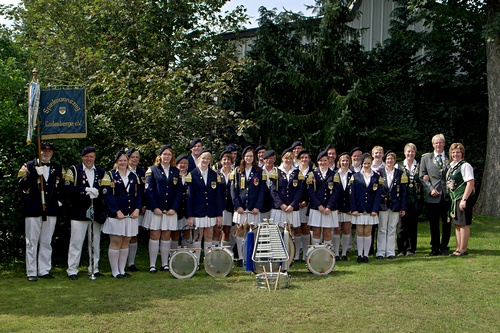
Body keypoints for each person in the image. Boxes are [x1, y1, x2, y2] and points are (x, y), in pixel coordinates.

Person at [18, 142, 63, 281]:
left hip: (50, 209)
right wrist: (34, 175)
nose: (46, 153)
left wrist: (59, 201)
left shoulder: (57, 167)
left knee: (46, 241)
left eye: (49, 151)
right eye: (44, 150)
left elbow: (61, 187)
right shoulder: (29, 166)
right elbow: (21, 185)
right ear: (39, 150)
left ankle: (44, 270)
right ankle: (31, 271)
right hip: (33, 209)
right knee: (31, 241)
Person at [65, 146, 106, 280]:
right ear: (82, 157)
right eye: (86, 157)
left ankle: (94, 268)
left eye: (91, 157)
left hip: (95, 213)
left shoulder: (101, 172)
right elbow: (68, 190)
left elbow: (105, 191)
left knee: (95, 243)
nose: (89, 159)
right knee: (76, 242)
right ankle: (72, 270)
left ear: (94, 157)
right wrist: (84, 190)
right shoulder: (74, 170)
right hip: (79, 213)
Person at [101, 151, 142, 278]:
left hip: (131, 214)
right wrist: (116, 211)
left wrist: (137, 209)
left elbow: (139, 194)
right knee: (116, 241)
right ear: (116, 162)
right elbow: (107, 195)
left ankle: (122, 270)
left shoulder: (133, 176)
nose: (123, 163)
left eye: (124, 160)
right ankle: (115, 271)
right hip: (116, 215)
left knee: (126, 241)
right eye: (120, 160)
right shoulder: (109, 175)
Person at [143, 145, 183, 273]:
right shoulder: (152, 169)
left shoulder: (175, 171)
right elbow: (148, 190)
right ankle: (152, 264)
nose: (166, 157)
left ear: (172, 157)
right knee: (155, 235)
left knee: (166, 235)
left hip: (170, 210)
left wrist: (174, 208)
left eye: (169, 155)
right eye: (164, 154)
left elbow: (179, 192)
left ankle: (165, 264)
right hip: (156, 209)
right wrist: (155, 207)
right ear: (159, 156)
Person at [186, 150, 223, 264]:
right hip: (198, 211)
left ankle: (208, 261)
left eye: (207, 159)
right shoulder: (192, 174)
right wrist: (190, 215)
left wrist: (219, 215)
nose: (205, 161)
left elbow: (217, 197)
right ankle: (196, 261)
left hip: (210, 211)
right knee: (198, 236)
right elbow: (189, 197)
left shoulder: (214, 175)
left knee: (209, 235)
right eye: (203, 158)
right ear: (199, 159)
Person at [230, 146, 266, 266]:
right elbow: (233, 191)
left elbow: (262, 191)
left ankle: (251, 257)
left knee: (253, 233)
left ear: (254, 157)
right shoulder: (236, 171)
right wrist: (237, 206)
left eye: (251, 156)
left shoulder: (259, 171)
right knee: (240, 233)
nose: (249, 158)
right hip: (241, 208)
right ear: (243, 157)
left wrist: (258, 206)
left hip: (253, 208)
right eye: (247, 156)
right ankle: (241, 257)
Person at [419, 134, 451, 256]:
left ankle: (444, 246)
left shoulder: (450, 156)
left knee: (446, 222)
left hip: (446, 195)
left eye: (440, 142)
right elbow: (422, 176)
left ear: (444, 144)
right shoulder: (426, 158)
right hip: (433, 195)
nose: (438, 145)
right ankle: (435, 247)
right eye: (436, 143)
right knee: (433, 223)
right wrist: (430, 189)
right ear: (433, 144)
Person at [269, 148, 304, 259]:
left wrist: (293, 205)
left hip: (292, 208)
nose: (288, 160)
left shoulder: (297, 172)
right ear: (282, 158)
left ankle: (293, 254)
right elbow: (273, 191)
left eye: (290, 158)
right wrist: (281, 204)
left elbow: (299, 191)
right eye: (286, 158)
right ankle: (278, 254)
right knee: (278, 231)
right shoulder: (276, 171)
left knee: (293, 231)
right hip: (279, 208)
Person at [350, 153, 383, 263]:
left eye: (369, 163)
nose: (367, 165)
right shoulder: (355, 176)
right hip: (359, 208)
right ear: (361, 164)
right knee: (359, 231)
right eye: (365, 163)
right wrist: (354, 208)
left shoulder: (377, 177)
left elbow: (378, 195)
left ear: (371, 163)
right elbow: (352, 194)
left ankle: (366, 255)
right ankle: (360, 254)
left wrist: (375, 209)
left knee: (368, 231)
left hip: (370, 209)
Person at [376, 151, 407, 259]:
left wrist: (403, 207)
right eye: (388, 159)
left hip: (395, 205)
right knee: (382, 228)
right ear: (385, 160)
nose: (390, 161)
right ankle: (380, 252)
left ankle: (390, 252)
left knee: (392, 228)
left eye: (392, 159)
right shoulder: (379, 173)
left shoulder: (400, 173)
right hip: (382, 205)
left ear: (395, 161)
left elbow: (403, 192)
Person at [446, 143, 475, 257]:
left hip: (463, 197)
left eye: (458, 152)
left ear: (462, 153)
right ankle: (458, 247)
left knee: (463, 224)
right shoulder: (452, 166)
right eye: (453, 152)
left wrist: (464, 199)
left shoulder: (465, 165)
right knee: (457, 224)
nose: (455, 154)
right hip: (455, 198)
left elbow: (470, 183)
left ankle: (463, 249)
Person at [306, 149, 339, 247]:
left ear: (328, 161)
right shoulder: (312, 174)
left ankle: (327, 255)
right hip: (316, 208)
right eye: (321, 161)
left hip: (329, 208)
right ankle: (316, 254)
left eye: (325, 160)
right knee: (316, 232)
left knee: (327, 232)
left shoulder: (334, 174)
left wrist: (329, 206)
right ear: (317, 162)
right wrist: (319, 205)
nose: (323, 163)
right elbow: (310, 192)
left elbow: (336, 192)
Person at [397, 143, 423, 256]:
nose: (410, 153)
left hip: (416, 199)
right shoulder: (399, 166)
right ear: (404, 152)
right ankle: (401, 248)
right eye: (408, 151)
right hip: (403, 199)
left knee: (413, 225)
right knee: (402, 225)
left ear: (415, 153)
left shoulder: (420, 166)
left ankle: (411, 249)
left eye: (412, 151)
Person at [126, 148, 146, 272]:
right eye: (132, 157)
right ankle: (121, 261)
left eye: (136, 157)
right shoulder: (122, 171)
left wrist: (142, 205)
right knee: (124, 236)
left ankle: (131, 263)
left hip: (137, 208)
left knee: (134, 235)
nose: (134, 159)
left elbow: (144, 191)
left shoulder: (142, 172)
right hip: (124, 208)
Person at [332, 152, 354, 261]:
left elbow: (354, 194)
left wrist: (352, 208)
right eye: (343, 161)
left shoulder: (353, 175)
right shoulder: (334, 174)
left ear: (349, 162)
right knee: (336, 229)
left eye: (346, 160)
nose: (345, 163)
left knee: (346, 230)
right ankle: (336, 253)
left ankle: (344, 253)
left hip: (348, 208)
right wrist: (334, 207)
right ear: (339, 162)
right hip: (337, 207)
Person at [213, 149, 235, 248]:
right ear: (221, 161)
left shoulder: (235, 174)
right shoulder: (216, 174)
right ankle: (214, 254)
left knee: (226, 232)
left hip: (230, 207)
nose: (226, 162)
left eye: (229, 160)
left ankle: (225, 254)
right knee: (216, 232)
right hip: (218, 207)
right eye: (224, 159)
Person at [297, 149, 312, 261]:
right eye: (302, 158)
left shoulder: (313, 172)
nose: (304, 159)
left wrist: (306, 201)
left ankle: (305, 253)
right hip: (296, 205)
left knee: (306, 229)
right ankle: (297, 254)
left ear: (309, 159)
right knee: (297, 229)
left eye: (306, 157)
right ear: (298, 159)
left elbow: (313, 190)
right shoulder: (295, 172)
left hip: (307, 205)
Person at [260, 149, 276, 220]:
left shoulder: (278, 171)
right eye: (266, 159)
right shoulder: (258, 172)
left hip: (275, 205)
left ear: (274, 159)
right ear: (263, 160)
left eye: (270, 158)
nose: (268, 160)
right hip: (262, 205)